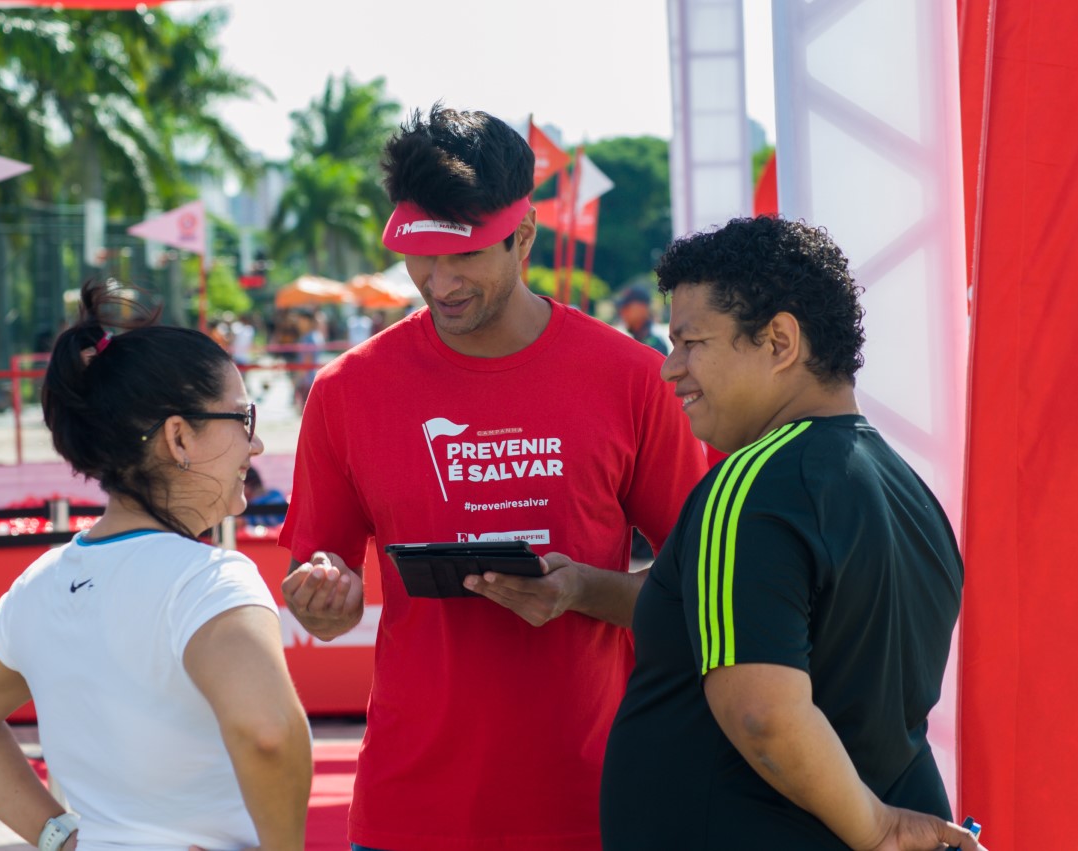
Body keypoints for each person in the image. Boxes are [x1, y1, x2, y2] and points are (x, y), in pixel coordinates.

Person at [278, 104, 708, 851]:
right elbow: (327, 595)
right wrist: (324, 599)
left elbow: (703, 588)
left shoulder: (632, 378)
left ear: (525, 237)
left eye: (465, 255)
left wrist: (580, 589)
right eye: (420, 256)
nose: (438, 283)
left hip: (599, 804)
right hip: (409, 816)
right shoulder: (348, 390)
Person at [600, 217, 983, 851]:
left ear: (779, 341)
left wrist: (879, 827)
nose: (670, 370)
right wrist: (585, 590)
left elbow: (762, 713)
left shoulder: (750, 484)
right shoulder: (908, 492)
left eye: (691, 342)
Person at [0, 279, 312, 851]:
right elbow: (269, 733)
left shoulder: (43, 583)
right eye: (243, 419)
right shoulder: (210, 580)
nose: (256, 447)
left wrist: (59, 837)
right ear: (179, 437)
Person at [614, 283, 670, 355]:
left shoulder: (655, 342)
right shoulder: (640, 338)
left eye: (627, 308)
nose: (622, 313)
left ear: (642, 308)